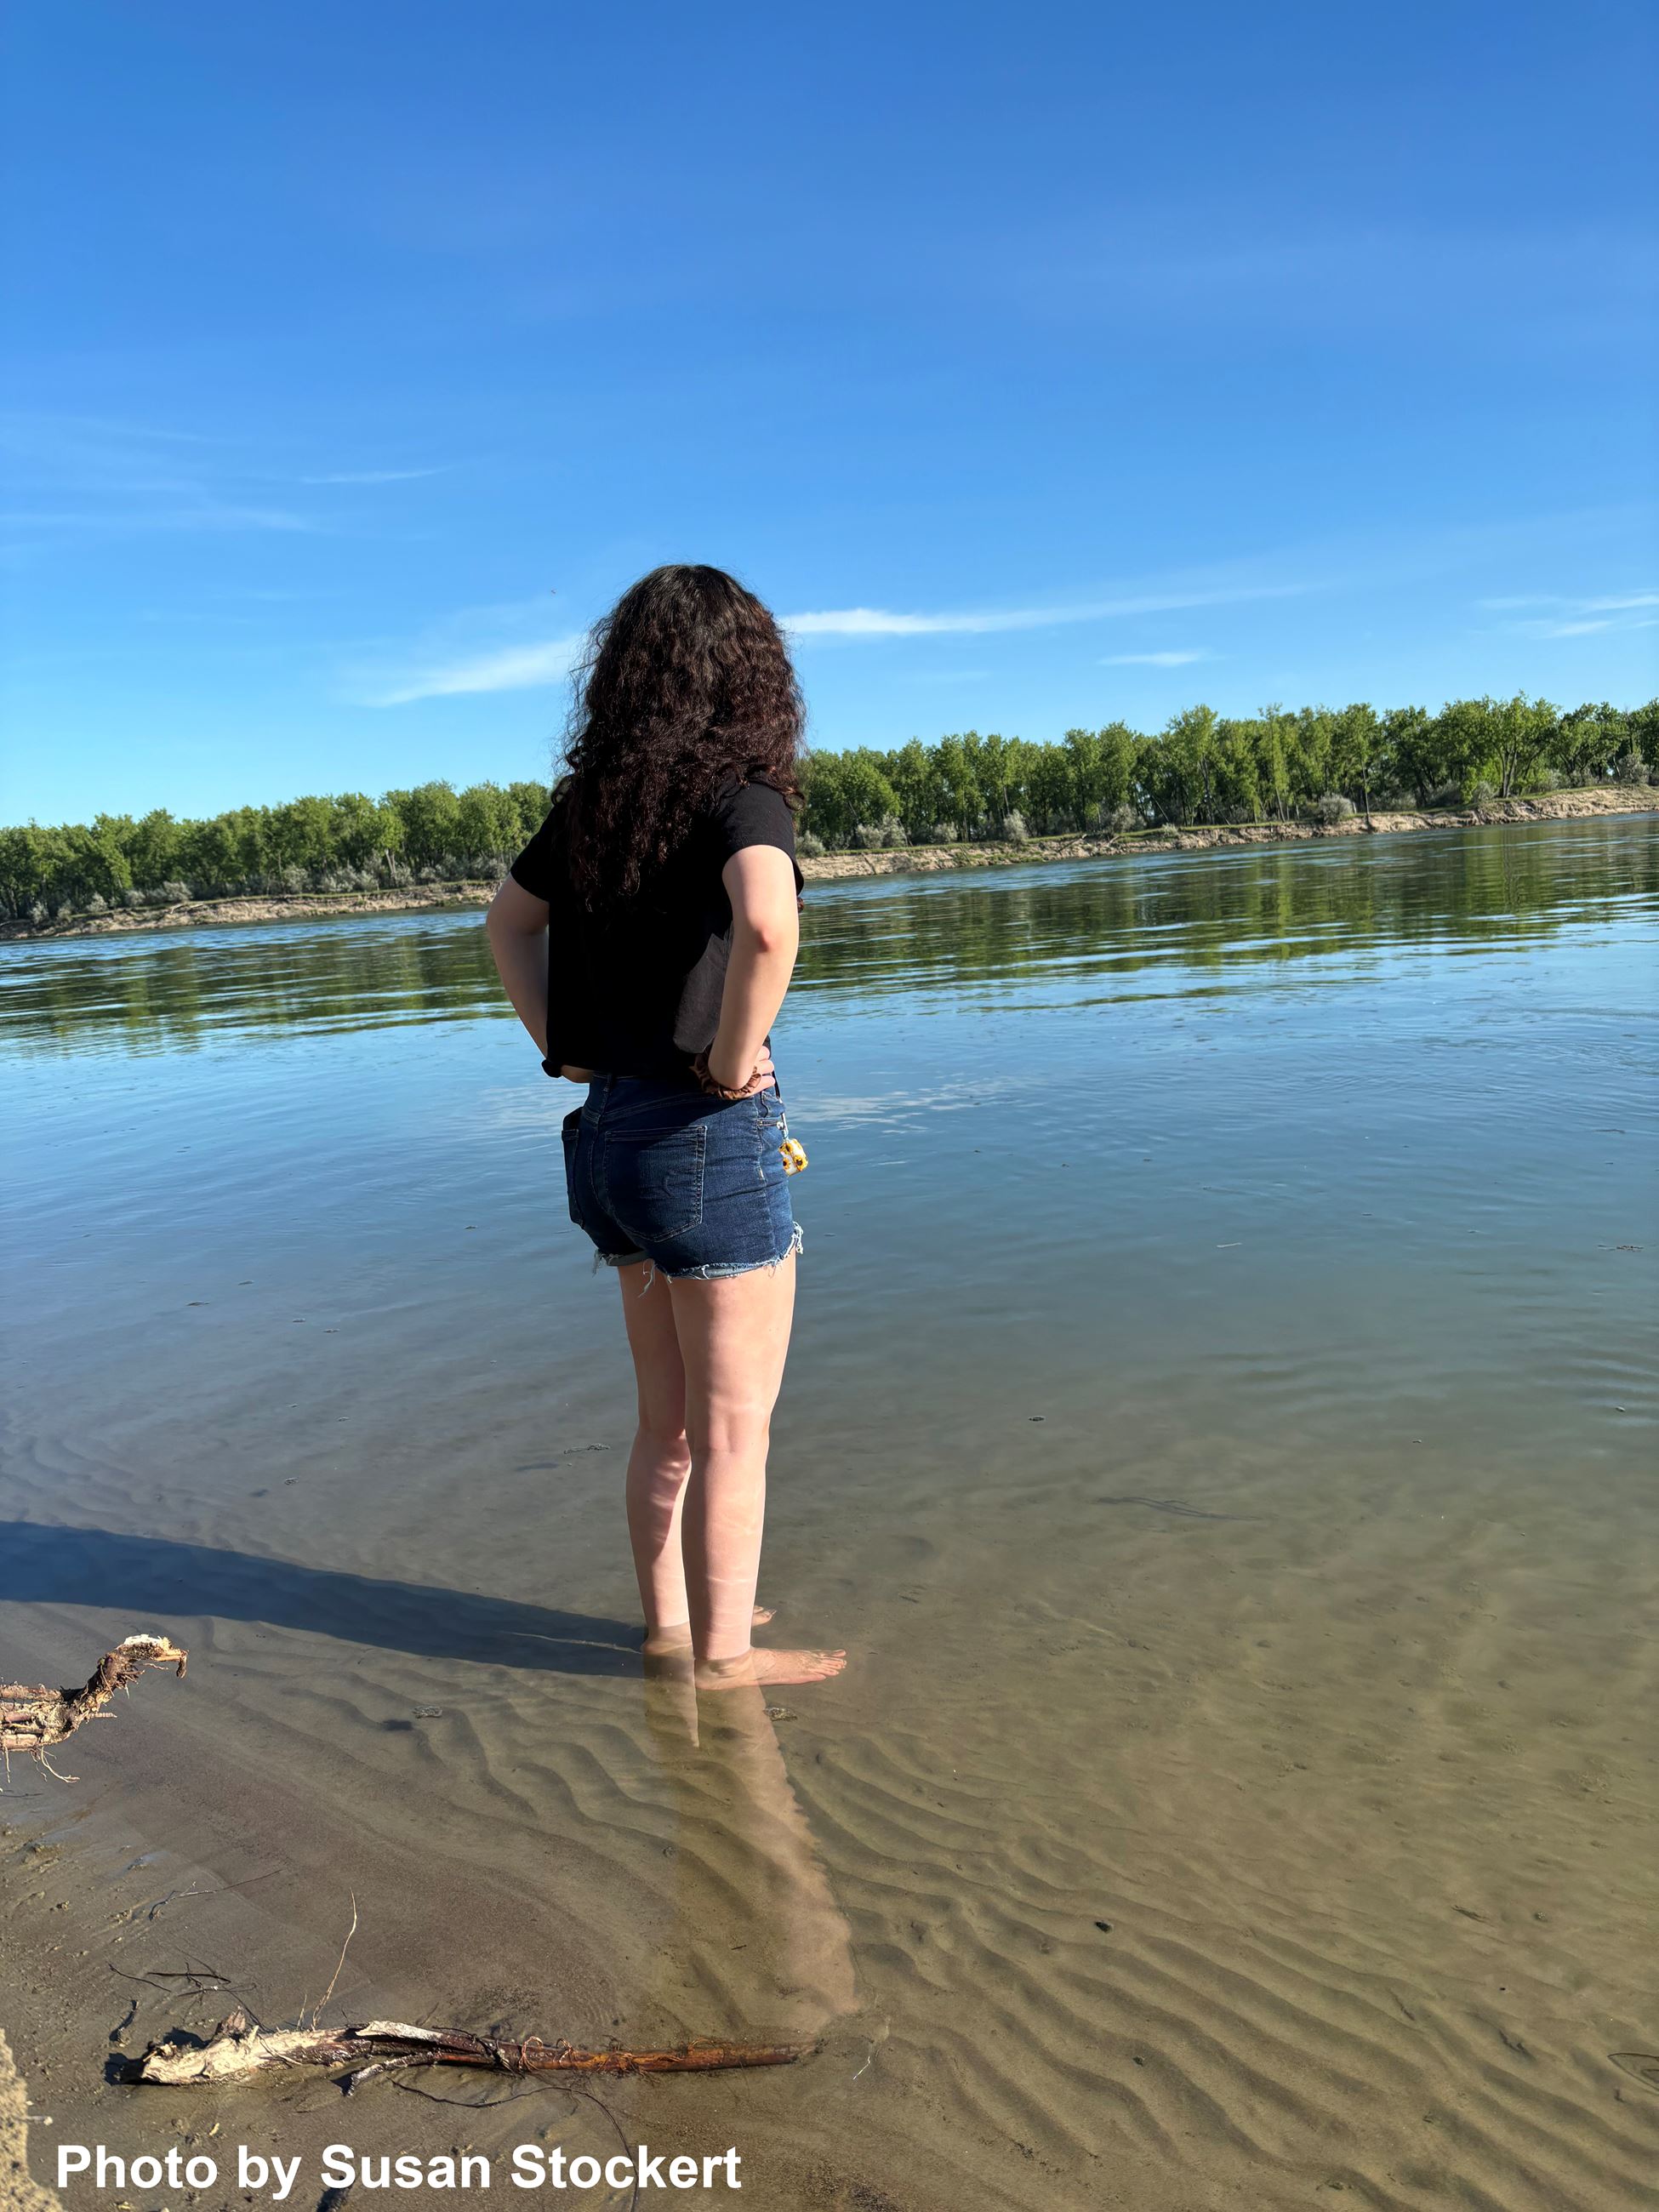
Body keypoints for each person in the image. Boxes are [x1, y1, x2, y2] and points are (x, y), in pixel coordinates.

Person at [487, 565, 846, 1690]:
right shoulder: (740, 794)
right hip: (699, 1139)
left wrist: (563, 1047)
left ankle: (670, 1629)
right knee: (735, 1431)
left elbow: (505, 925)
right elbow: (767, 926)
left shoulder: (594, 807)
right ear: (754, 679)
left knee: (669, 1427)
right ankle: (727, 1665)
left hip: (605, 1142)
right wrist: (732, 1066)